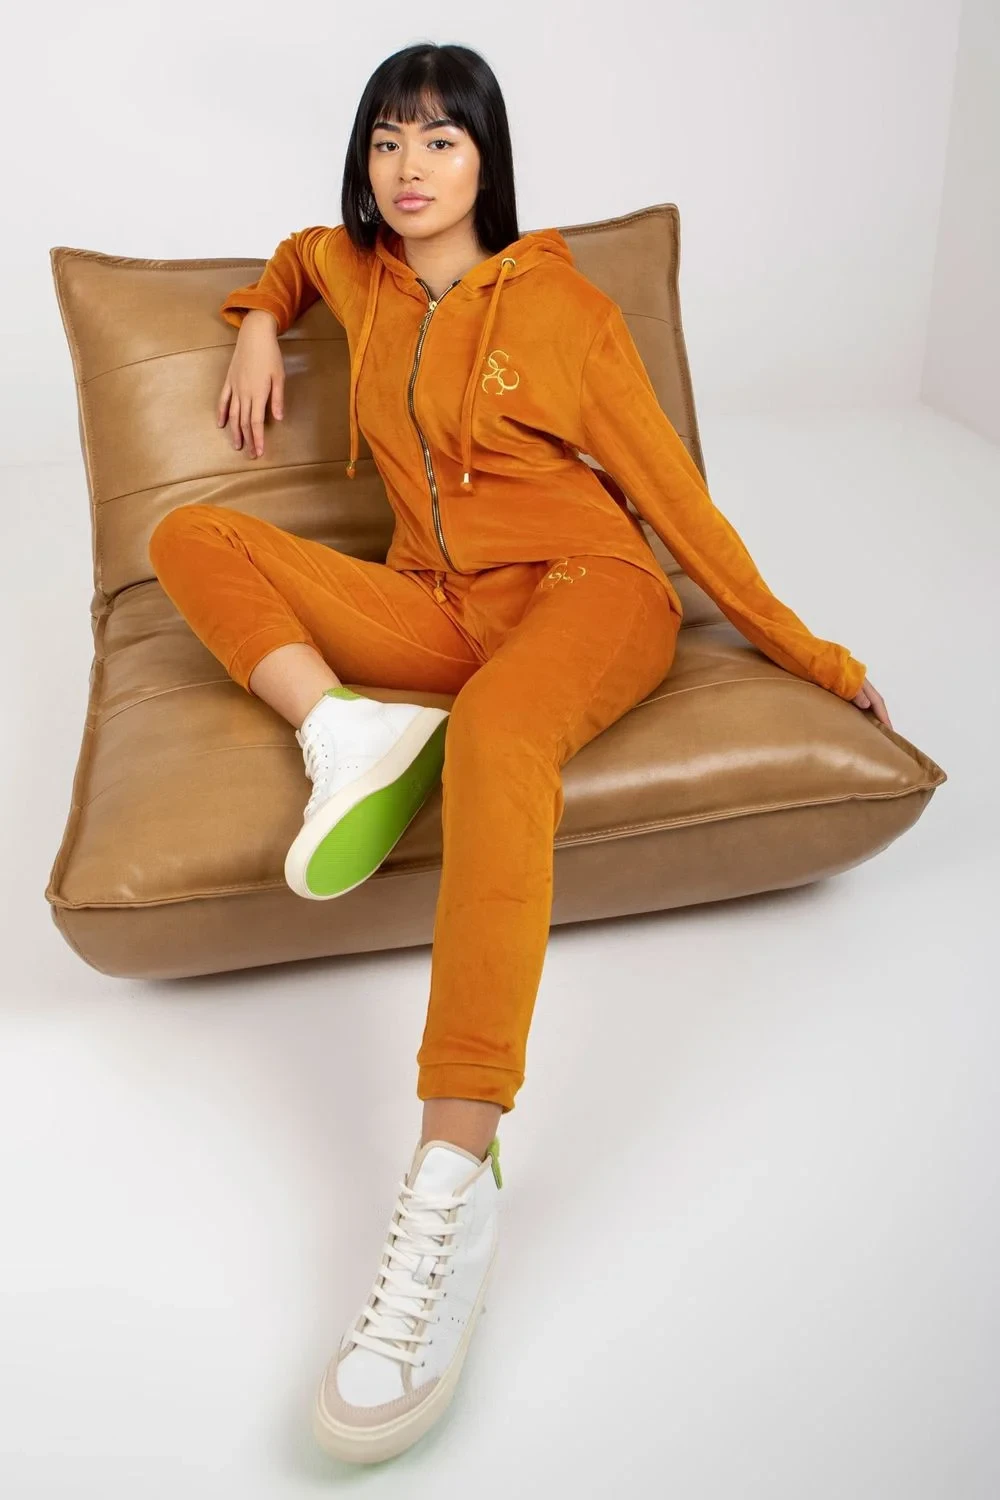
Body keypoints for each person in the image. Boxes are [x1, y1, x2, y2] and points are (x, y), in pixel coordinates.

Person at [147, 40, 892, 1464]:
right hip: (440, 605)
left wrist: (816, 658)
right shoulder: (356, 268)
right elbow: (300, 253)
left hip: (588, 592)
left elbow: (679, 507)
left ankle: (454, 1163)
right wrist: (257, 316)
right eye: (385, 140)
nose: (407, 168)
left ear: (487, 159)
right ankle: (344, 730)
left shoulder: (564, 309)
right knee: (191, 535)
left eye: (440, 140)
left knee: (498, 736)